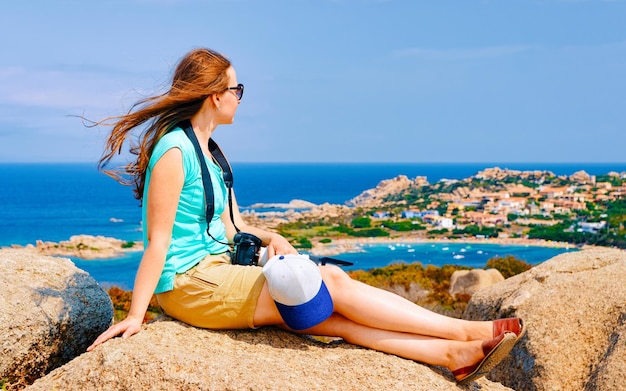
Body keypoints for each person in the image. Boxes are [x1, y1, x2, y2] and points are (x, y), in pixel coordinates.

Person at [87, 47, 525, 385]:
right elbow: (158, 242)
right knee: (331, 285)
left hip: (218, 271)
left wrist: (268, 236)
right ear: (214, 95)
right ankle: (466, 333)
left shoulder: (211, 151)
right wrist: (136, 315)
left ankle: (455, 357)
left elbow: (229, 226)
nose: (240, 98)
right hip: (188, 284)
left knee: (332, 317)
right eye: (237, 90)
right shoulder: (174, 150)